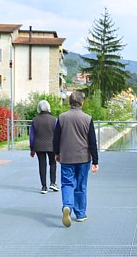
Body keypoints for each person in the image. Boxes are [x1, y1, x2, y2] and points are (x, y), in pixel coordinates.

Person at [53, 91, 99, 227]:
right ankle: (80, 214)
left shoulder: (61, 118)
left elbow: (56, 139)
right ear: (81, 103)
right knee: (80, 185)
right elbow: (92, 141)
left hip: (66, 157)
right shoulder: (87, 118)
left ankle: (67, 206)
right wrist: (95, 161)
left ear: (70, 103)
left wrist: (57, 153)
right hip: (84, 158)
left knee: (67, 183)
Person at [29, 99, 58, 194]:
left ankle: (44, 186)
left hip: (39, 145)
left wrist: (32, 149)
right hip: (52, 145)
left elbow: (32, 136)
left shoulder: (35, 120)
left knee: (42, 164)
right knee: (53, 163)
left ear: (39, 108)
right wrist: (58, 148)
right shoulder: (54, 120)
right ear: (48, 108)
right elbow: (57, 134)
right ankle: (53, 183)